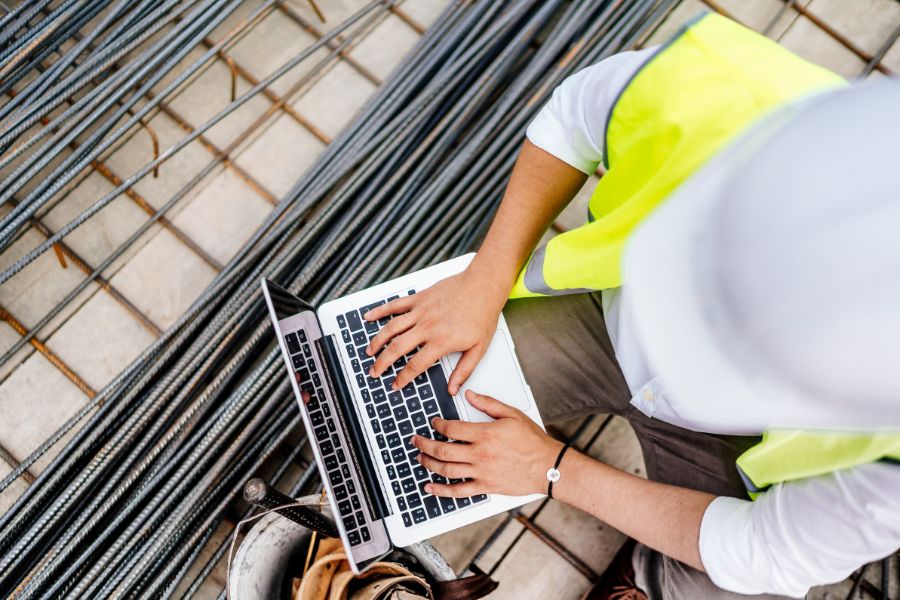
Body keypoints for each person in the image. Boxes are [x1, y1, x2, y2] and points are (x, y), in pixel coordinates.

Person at [360, 11, 900, 600]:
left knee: (728, 592)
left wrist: (553, 470)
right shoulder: (733, 93)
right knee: (396, 385)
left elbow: (766, 552)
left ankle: (647, 576)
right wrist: (486, 279)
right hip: (602, 319)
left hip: (740, 445)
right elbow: (576, 117)